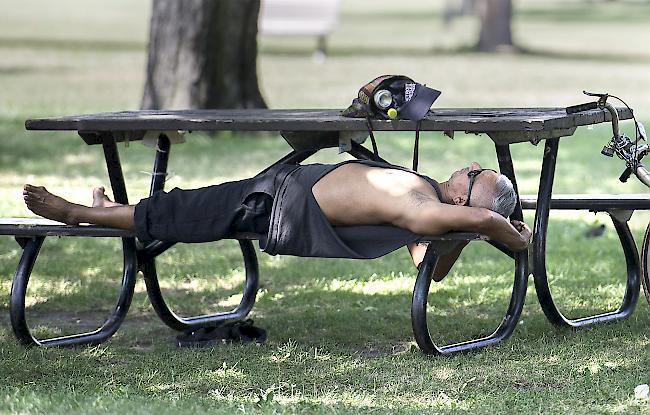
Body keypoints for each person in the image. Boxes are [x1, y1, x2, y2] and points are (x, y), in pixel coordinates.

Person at [22, 159, 531, 281]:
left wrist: (503, 234)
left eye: (475, 175)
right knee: (191, 204)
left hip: (274, 206)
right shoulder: (431, 209)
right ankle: (110, 210)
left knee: (186, 211)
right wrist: (466, 232)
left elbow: (482, 224)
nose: (466, 167)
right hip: (285, 187)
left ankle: (77, 213)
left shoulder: (425, 209)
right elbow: (432, 268)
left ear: (468, 205)